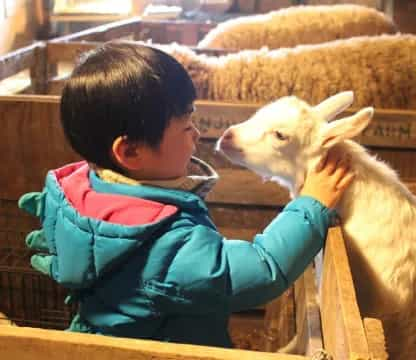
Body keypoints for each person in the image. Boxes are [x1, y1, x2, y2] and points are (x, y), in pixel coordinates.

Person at [18, 42, 354, 347]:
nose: (196, 133)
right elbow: (260, 270)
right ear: (131, 152)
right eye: (185, 126)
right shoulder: (162, 247)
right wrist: (311, 205)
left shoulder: (87, 192)